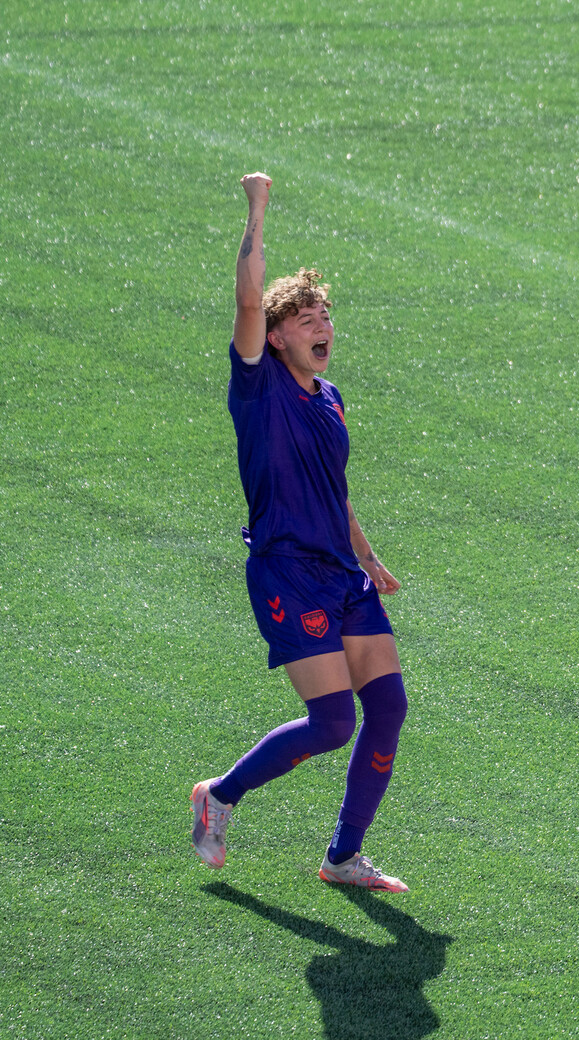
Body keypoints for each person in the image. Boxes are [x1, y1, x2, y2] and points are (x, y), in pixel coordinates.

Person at [189, 172, 411, 892]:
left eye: (326, 317)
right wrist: (257, 207)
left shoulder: (331, 398)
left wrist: (367, 556)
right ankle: (219, 796)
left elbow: (332, 489)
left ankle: (343, 857)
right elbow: (247, 298)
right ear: (277, 335)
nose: (323, 329)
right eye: (307, 320)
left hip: (342, 574)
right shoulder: (257, 384)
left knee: (388, 706)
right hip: (287, 569)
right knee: (332, 723)